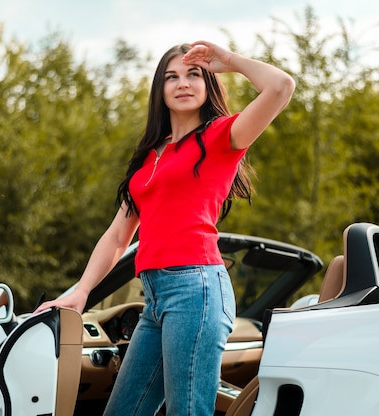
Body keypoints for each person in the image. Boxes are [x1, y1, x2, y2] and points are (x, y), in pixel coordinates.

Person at [34, 40, 295, 416]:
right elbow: (117, 237)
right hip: (155, 302)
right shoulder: (149, 158)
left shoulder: (222, 137)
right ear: (160, 90)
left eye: (193, 74)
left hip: (197, 291)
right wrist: (81, 292)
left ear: (208, 84)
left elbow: (281, 87)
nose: (183, 83)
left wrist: (231, 61)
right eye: (171, 76)